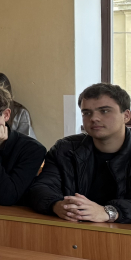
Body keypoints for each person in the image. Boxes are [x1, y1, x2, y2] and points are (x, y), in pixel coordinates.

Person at [26, 82, 131, 223]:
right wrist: (56, 205)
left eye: (104, 111)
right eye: (87, 113)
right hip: (73, 231)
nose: (94, 118)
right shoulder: (65, 149)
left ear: (126, 115)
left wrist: (110, 211)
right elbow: (41, 187)